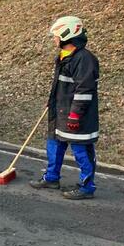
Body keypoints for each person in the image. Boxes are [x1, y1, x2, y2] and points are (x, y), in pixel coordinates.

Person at [29, 16, 99, 200]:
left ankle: (87, 187)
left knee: (81, 151)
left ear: (67, 34)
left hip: (77, 117)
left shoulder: (84, 59)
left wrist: (75, 115)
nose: (54, 39)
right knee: (53, 145)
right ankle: (51, 178)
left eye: (56, 36)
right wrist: (51, 102)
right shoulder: (63, 57)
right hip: (60, 112)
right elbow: (60, 85)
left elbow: (84, 90)